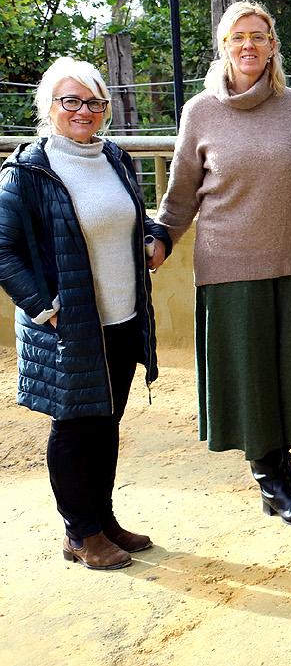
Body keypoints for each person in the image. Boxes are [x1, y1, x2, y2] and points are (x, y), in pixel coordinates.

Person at [156, 0, 291, 527]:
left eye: (259, 36)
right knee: (251, 376)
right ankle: (270, 480)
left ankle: (283, 468)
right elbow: (179, 198)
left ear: (272, 46)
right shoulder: (199, 112)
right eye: (238, 36)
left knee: (288, 374)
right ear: (224, 45)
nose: (249, 46)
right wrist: (159, 242)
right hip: (230, 266)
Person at [0, 57, 172, 570]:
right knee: (75, 427)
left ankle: (103, 518)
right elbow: (3, 250)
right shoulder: (28, 170)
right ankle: (80, 533)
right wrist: (43, 308)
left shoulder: (113, 158)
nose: (83, 111)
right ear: (48, 106)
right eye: (70, 101)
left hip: (119, 318)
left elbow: (134, 219)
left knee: (106, 421)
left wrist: (154, 236)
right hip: (67, 326)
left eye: (93, 102)